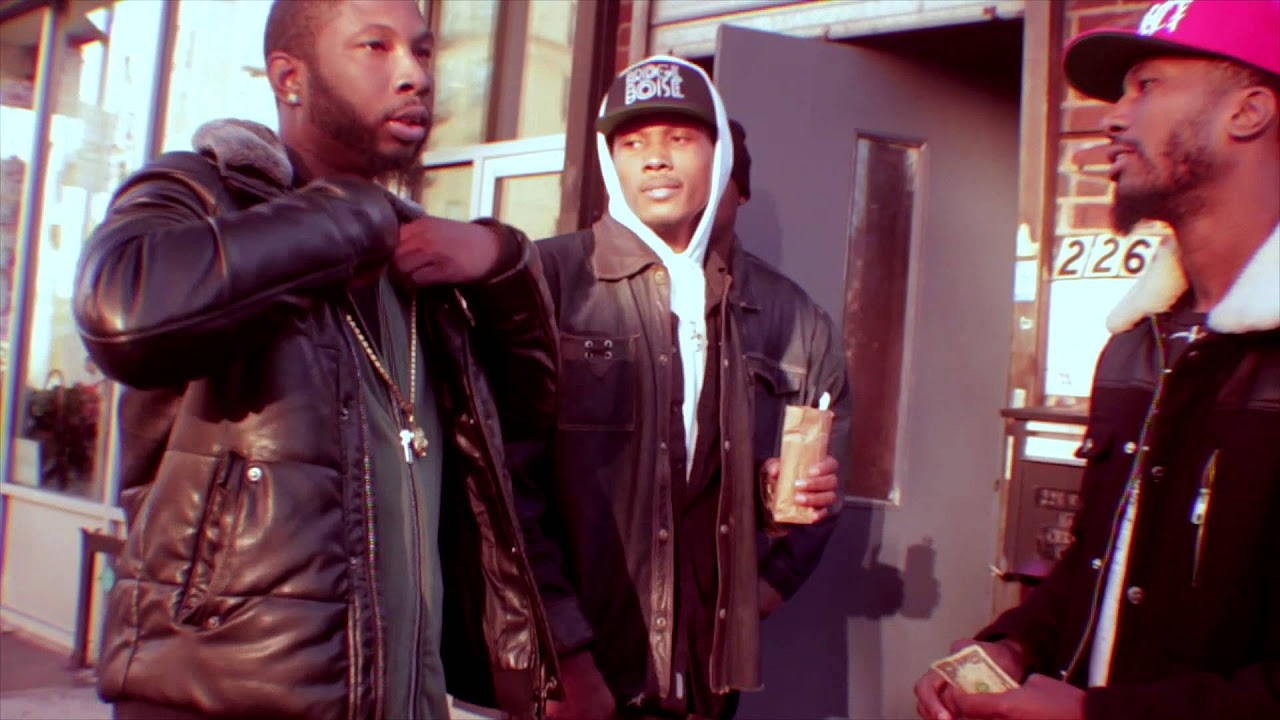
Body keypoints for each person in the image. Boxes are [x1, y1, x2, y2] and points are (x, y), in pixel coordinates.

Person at [73, 1, 558, 718]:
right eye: (375, 47)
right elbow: (119, 310)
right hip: (220, 696)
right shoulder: (203, 193)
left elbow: (530, 419)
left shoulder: (420, 263)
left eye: (423, 51)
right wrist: (351, 211)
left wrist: (500, 261)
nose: (415, 76)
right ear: (289, 77)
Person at [914, 1, 1280, 719]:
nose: (1113, 118)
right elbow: (1096, 565)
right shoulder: (1137, 345)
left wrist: (1093, 717)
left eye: (1146, 86)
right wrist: (1015, 643)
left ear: (1249, 112)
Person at [520, 56, 850, 719]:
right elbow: (503, 494)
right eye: (633, 142)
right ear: (609, 159)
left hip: (702, 683)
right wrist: (561, 652)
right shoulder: (548, 281)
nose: (655, 159)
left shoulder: (792, 317)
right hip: (575, 676)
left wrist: (765, 574)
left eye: (680, 137)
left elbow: (813, 488)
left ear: (720, 157)